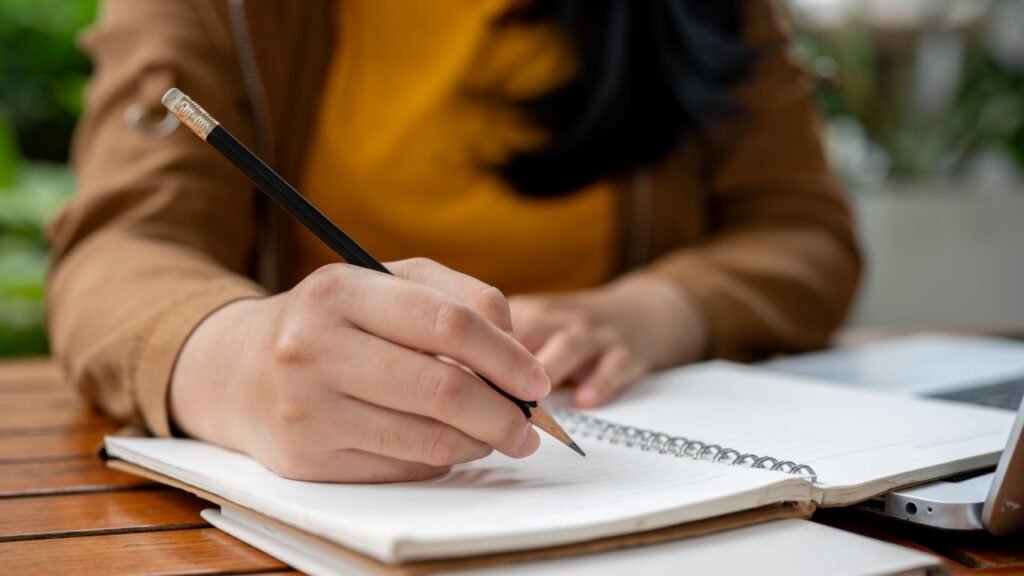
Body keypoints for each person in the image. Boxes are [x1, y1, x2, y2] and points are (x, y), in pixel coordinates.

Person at [47, 0, 860, 483]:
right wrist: (239, 360)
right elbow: (119, 248)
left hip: (629, 448)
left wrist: (655, 310)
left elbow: (804, 232)